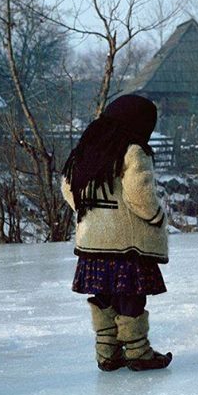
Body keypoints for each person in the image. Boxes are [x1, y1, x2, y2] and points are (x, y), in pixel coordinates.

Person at [61, 95, 173, 372]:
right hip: (127, 245)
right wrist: (157, 217)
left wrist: (91, 213)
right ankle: (138, 352)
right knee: (131, 297)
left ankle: (107, 353)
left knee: (103, 297)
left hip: (92, 242)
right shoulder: (133, 150)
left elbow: (67, 187)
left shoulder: (85, 149)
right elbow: (139, 195)